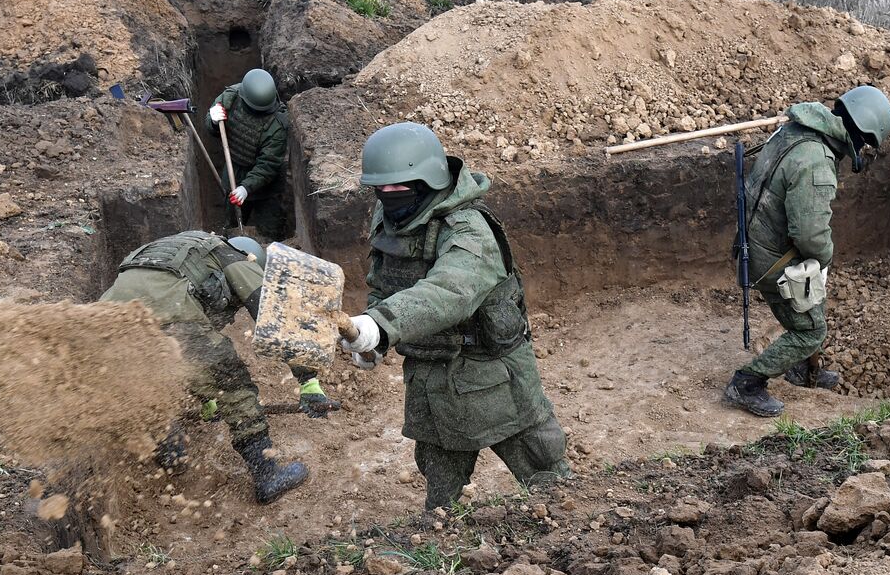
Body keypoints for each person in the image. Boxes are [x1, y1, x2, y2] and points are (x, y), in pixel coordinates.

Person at [339, 122, 570, 511]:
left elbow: (450, 291)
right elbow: (384, 279)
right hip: (430, 378)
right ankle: (440, 549)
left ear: (428, 179)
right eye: (382, 188)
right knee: (439, 486)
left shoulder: (468, 229)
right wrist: (371, 335)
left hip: (492, 374)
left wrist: (383, 324)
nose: (389, 196)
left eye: (400, 187)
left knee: (548, 476)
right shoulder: (389, 216)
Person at [97, 231, 311, 503]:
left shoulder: (179, 249)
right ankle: (267, 475)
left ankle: (170, 450)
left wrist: (207, 397)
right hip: (171, 314)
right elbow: (275, 323)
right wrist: (308, 381)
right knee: (233, 386)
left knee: (146, 380)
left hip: (106, 321)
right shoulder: (238, 259)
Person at [724, 85, 890, 417]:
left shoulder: (796, 130)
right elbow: (810, 235)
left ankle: (803, 369)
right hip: (771, 259)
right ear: (861, 135)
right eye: (867, 143)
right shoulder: (816, 162)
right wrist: (825, 256)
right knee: (811, 331)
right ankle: (747, 383)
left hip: (757, 241)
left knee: (811, 305)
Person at [205, 68, 290, 242]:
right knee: (232, 226)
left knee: (270, 232)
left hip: (267, 186)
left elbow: (268, 164)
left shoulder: (278, 124)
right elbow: (212, 127)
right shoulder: (231, 97)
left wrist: (246, 188)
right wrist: (213, 121)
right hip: (234, 171)